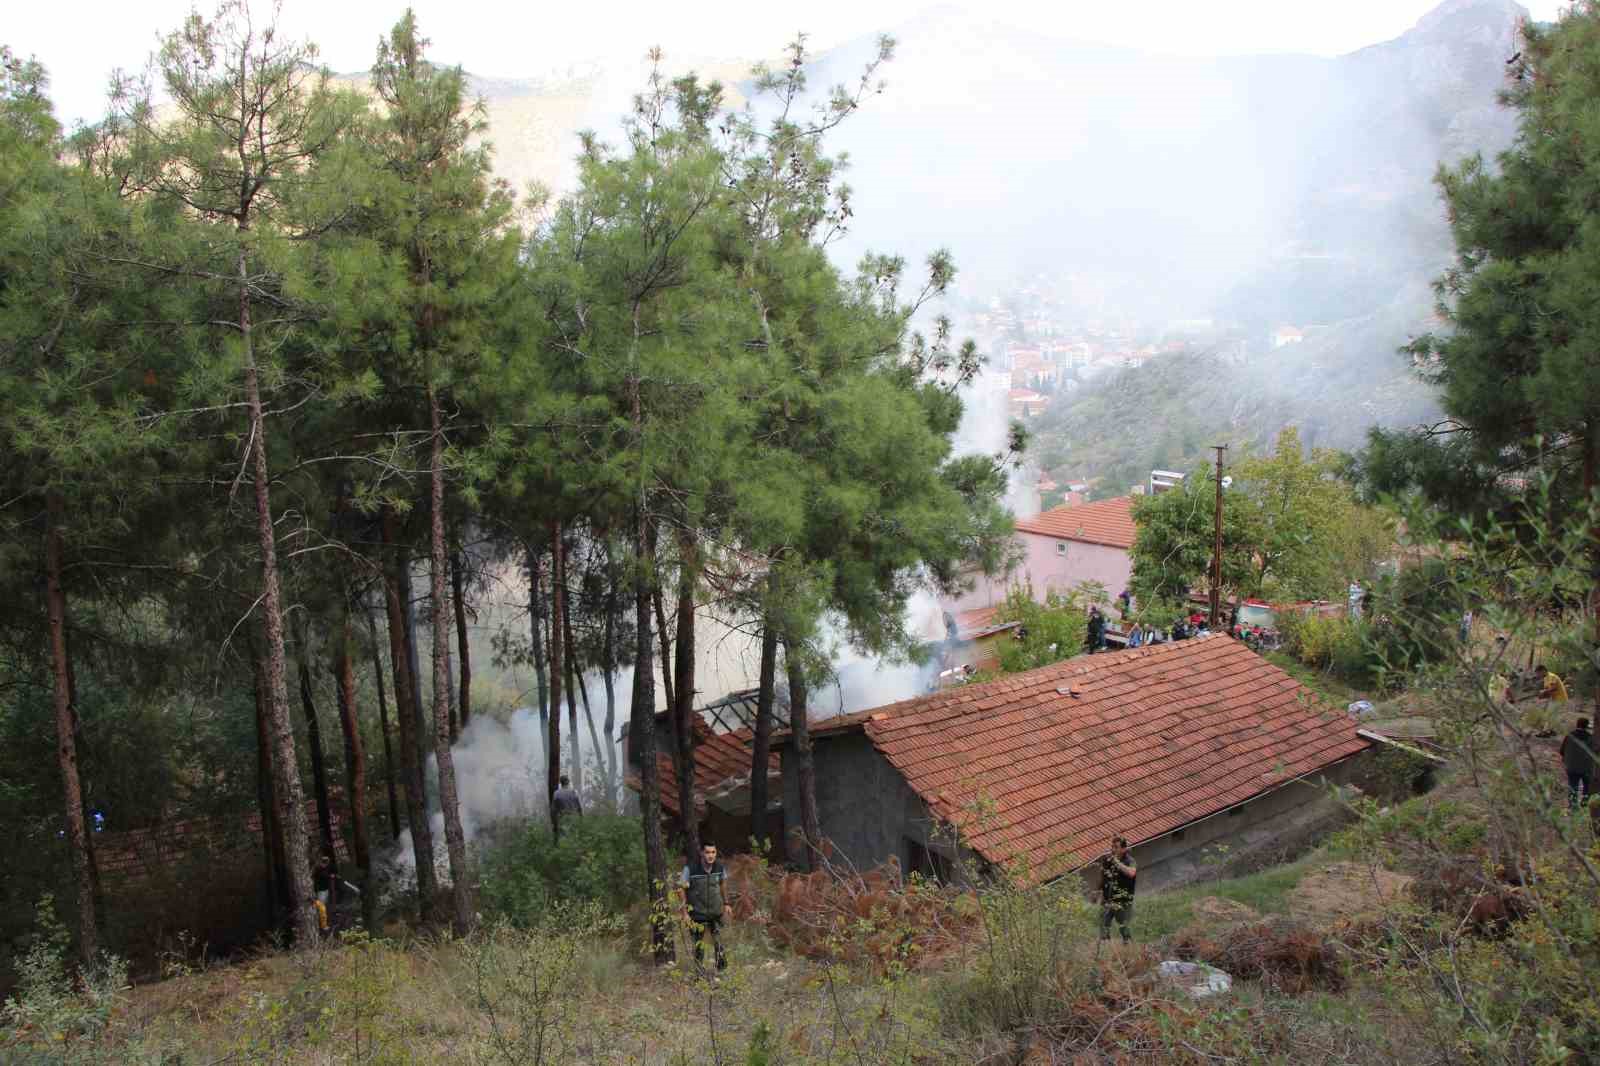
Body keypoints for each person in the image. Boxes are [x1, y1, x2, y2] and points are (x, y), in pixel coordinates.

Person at [679, 842, 732, 977]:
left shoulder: (719, 867)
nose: (710, 855)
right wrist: (684, 913)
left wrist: (726, 903)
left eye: (713, 852)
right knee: (698, 945)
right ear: (702, 853)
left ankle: (722, 971)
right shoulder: (690, 868)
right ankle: (699, 973)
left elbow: (723, 884)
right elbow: (681, 889)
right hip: (697, 914)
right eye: (708, 852)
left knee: (719, 942)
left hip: (716, 912)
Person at [1099, 836, 1137, 943]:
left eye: (1116, 847)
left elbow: (1131, 873)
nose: (1113, 849)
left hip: (1123, 900)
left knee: (1122, 924)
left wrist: (1117, 863)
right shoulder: (1108, 860)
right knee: (1104, 922)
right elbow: (1104, 877)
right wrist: (1100, 893)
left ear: (1124, 849)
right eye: (1112, 847)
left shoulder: (1130, 860)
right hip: (1110, 899)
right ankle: (1105, 944)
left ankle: (1128, 943)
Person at [1560, 717, 1595, 810]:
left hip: (1571, 767)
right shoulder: (1591, 738)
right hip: (1586, 768)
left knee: (1573, 786)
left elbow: (1561, 751)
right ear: (1587, 726)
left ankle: (1573, 806)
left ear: (1577, 724)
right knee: (1587, 787)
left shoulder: (1569, 736)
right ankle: (1584, 804)